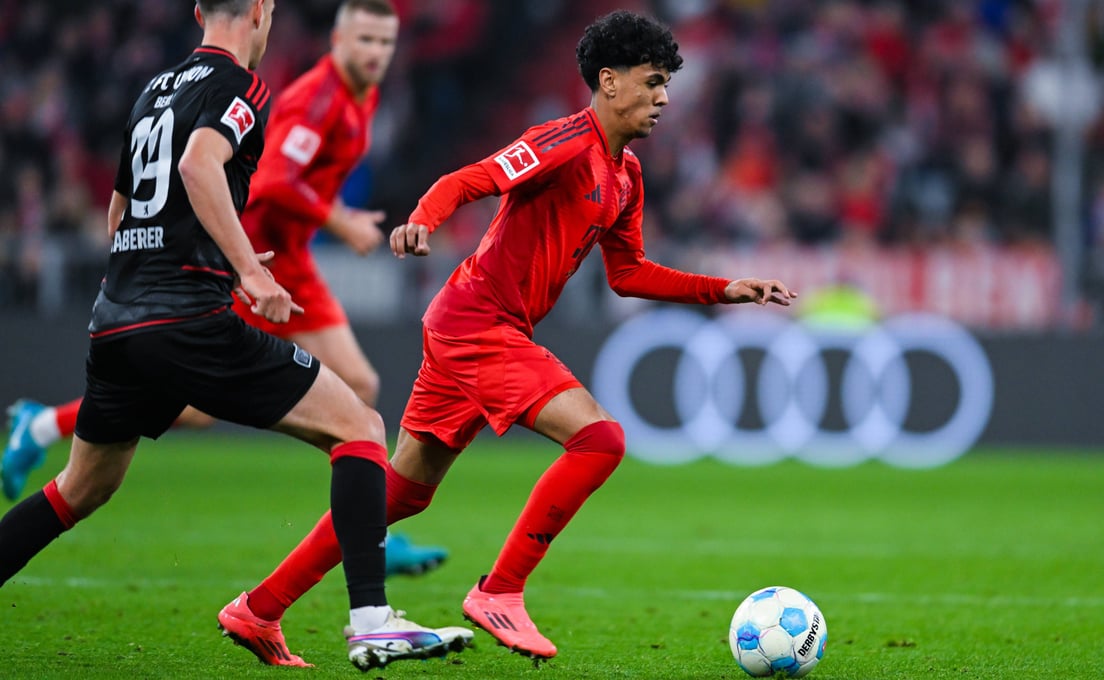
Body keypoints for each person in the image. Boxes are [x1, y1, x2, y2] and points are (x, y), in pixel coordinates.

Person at [216, 8, 798, 663]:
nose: (664, 98)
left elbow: (629, 273)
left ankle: (259, 608)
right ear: (609, 81)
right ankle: (500, 590)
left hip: (475, 325)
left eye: (667, 84)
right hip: (477, 323)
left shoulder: (626, 176)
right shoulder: (564, 141)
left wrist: (723, 289)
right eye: (653, 81)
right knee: (600, 440)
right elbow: (470, 179)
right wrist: (423, 218)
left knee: (401, 493)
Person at [0, 0, 471, 671]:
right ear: (258, 11)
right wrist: (248, 270)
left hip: (118, 316)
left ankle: (44, 430)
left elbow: (118, 210)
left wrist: (154, 276)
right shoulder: (242, 85)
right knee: (361, 428)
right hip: (188, 316)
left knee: (80, 489)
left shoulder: (155, 90)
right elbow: (199, 164)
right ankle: (371, 623)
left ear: (198, 10)